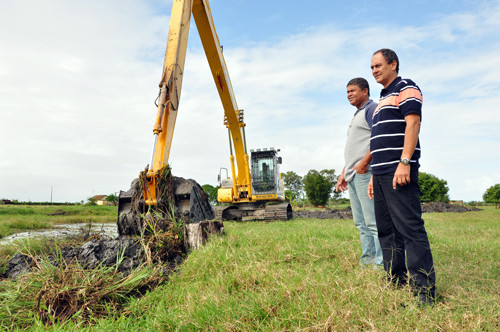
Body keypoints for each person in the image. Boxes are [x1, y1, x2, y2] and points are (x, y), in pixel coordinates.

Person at [367, 48, 436, 306]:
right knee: (387, 230)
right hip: (381, 172)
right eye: (371, 67)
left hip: (399, 170)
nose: (374, 70)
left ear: (393, 64)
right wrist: (374, 173)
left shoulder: (405, 87)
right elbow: (378, 140)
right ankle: (395, 280)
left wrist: (404, 162)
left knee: (409, 228)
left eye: (378, 65)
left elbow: (413, 123)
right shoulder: (381, 99)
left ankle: (424, 291)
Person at [336, 77, 382, 267]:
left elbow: (379, 138)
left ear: (365, 91)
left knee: (372, 223)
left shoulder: (372, 109)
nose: (349, 95)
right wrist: (343, 173)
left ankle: (380, 264)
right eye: (347, 92)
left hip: (365, 174)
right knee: (360, 223)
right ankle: (367, 262)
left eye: (353, 91)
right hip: (353, 175)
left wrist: (364, 164)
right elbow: (355, 148)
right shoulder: (357, 114)